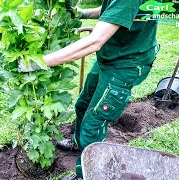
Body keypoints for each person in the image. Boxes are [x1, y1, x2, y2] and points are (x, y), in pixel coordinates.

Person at [20, 0, 160, 179]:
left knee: (95, 120)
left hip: (127, 64)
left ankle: (85, 174)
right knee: (83, 104)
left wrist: (39, 62)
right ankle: (79, 143)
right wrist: (84, 13)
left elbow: (94, 42)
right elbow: (113, 9)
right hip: (111, 57)